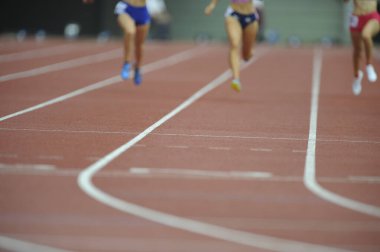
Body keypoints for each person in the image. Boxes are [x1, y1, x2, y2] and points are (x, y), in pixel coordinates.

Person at [83, 0, 151, 85]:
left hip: (141, 10)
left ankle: (137, 67)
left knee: (139, 46)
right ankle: (127, 63)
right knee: (130, 31)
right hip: (126, 7)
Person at [204, 0, 259, 92]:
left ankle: (249, 52)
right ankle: (236, 79)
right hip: (233, 15)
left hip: (251, 16)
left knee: (247, 55)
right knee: (234, 44)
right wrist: (212, 5)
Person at [344, 0, 380, 95]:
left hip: (372, 17)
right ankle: (357, 76)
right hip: (356, 18)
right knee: (357, 50)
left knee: (366, 35)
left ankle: (369, 65)